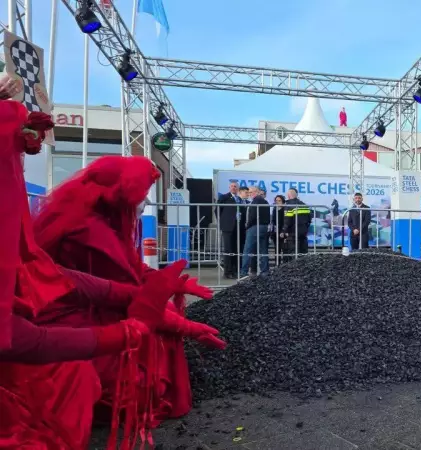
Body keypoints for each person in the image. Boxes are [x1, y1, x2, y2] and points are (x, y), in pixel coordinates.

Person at [0, 96, 179, 449]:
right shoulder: (89, 232)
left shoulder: (96, 225)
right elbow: (26, 338)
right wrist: (139, 327)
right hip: (61, 323)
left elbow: (91, 283)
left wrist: (153, 296)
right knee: (77, 376)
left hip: (56, 319)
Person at [32, 155, 224, 432]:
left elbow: (132, 274)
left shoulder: (99, 224)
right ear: (119, 196)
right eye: (143, 195)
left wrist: (174, 284)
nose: (144, 202)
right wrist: (186, 326)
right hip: (75, 321)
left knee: (163, 317)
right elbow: (126, 297)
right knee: (158, 332)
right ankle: (122, 402)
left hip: (96, 303)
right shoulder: (90, 235)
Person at [241, 186, 270, 276]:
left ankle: (243, 272)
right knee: (263, 250)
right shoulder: (265, 201)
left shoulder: (256, 201)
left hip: (255, 227)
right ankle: (264, 271)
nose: (249, 194)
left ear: (255, 192)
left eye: (250, 192)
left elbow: (253, 216)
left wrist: (248, 226)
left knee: (247, 249)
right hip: (264, 227)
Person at [218, 181, 243, 279]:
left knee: (236, 249)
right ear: (229, 187)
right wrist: (223, 222)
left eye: (235, 186)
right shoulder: (224, 197)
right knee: (228, 249)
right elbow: (218, 210)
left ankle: (235, 270)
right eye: (232, 186)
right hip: (228, 227)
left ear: (238, 188)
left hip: (238, 227)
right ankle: (227, 272)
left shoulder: (239, 199)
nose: (234, 188)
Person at [282, 188, 311, 258]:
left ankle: (295, 268)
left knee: (294, 253)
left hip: (293, 233)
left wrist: (284, 231)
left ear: (288, 195)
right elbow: (309, 219)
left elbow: (287, 221)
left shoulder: (289, 206)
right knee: (303, 253)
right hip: (303, 232)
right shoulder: (304, 205)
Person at [271, 195, 286, 264]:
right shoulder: (274, 209)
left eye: (279, 200)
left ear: (283, 201)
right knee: (277, 250)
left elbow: (286, 221)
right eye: (276, 201)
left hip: (283, 232)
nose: (277, 202)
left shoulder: (285, 209)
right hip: (275, 232)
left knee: (285, 249)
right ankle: (277, 265)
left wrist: (283, 231)